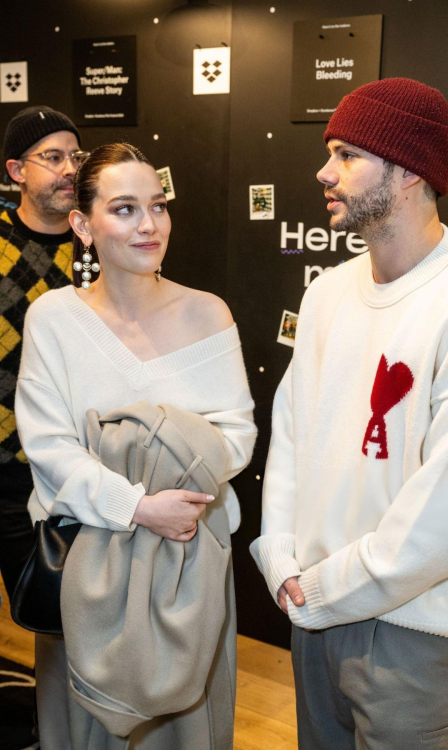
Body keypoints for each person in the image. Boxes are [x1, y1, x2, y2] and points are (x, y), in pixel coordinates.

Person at [250, 77, 448, 750]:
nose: (323, 172)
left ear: (411, 171)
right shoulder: (328, 293)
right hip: (312, 615)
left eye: (347, 154)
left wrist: (321, 587)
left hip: (412, 630)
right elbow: (293, 438)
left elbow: (443, 520)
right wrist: (279, 557)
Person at [15, 142, 257, 748]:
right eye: (124, 208)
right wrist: (139, 505)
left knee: (183, 728)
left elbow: (238, 436)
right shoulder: (55, 319)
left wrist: (157, 472)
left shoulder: (209, 314)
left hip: (188, 564)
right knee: (82, 729)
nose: (149, 225)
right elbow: (48, 446)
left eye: (158, 206)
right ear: (83, 225)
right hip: (85, 563)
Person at [0, 105, 86, 602]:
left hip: (70, 469)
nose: (70, 169)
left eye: (77, 156)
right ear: (17, 171)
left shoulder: (100, 244)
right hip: (4, 467)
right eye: (53, 157)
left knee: (61, 611)